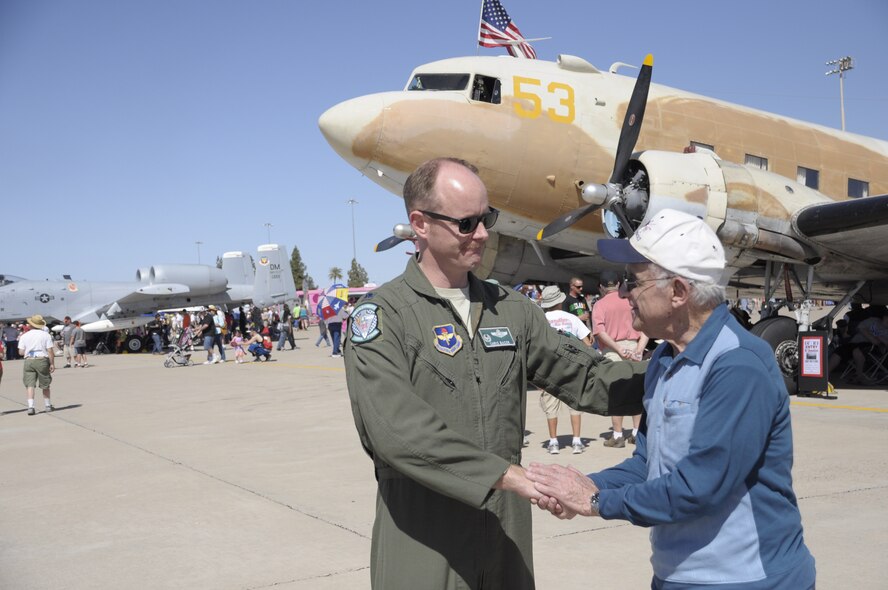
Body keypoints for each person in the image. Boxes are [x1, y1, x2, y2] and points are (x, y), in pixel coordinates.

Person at [343, 157, 646, 590]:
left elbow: (586, 378)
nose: (483, 233)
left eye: (487, 218)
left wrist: (677, 376)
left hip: (504, 537)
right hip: (424, 542)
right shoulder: (384, 316)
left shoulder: (512, 309)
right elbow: (397, 430)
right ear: (420, 224)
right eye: (467, 223)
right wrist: (507, 477)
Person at [527, 209, 816, 589]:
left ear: (678, 292)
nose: (623, 292)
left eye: (634, 281)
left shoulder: (738, 365)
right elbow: (649, 465)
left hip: (748, 578)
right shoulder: (665, 358)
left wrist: (595, 503)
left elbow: (700, 487)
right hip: (677, 575)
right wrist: (584, 485)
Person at [591, 269, 650, 447]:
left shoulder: (599, 305)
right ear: (618, 284)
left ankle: (617, 436)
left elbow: (599, 332)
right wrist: (639, 348)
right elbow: (647, 325)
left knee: (615, 392)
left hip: (612, 349)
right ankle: (636, 432)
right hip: (634, 346)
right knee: (636, 389)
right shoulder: (630, 300)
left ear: (601, 287)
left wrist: (617, 348)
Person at [537, 285, 592, 455]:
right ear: (560, 301)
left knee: (551, 407)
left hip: (549, 369)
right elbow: (588, 344)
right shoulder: (572, 318)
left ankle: (553, 442)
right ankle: (576, 441)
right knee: (574, 405)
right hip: (571, 367)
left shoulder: (540, 320)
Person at [18, 315, 55, 415]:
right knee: (45, 384)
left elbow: (21, 352)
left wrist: (29, 350)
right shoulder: (45, 335)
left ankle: (31, 407)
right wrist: (52, 363)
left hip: (29, 360)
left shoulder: (24, 336)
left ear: (31, 325)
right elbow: (50, 350)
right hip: (42, 359)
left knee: (30, 385)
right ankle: (47, 405)